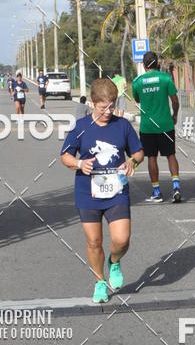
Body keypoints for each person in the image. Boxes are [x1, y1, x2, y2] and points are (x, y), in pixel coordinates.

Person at [60, 77, 144, 304]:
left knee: (121, 239)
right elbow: (65, 155)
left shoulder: (123, 126)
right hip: (88, 193)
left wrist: (131, 163)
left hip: (116, 190)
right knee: (94, 242)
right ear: (93, 103)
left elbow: (138, 153)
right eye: (102, 107)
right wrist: (79, 164)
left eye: (111, 105)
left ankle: (114, 261)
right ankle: (99, 282)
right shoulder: (81, 127)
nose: (108, 111)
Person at [132, 51, 181, 203]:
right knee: (171, 155)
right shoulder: (166, 78)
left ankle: (157, 192)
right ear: (157, 64)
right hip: (166, 124)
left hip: (148, 127)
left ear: (144, 65)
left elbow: (137, 99)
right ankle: (176, 187)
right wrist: (175, 115)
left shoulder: (137, 82)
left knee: (151, 157)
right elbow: (175, 101)